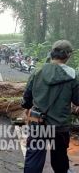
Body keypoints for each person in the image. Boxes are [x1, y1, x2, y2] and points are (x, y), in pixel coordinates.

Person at [21, 40, 79, 173]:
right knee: (59, 161)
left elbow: (26, 98)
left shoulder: (38, 71)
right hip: (60, 126)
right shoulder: (73, 75)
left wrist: (27, 108)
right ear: (68, 56)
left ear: (52, 53)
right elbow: (77, 100)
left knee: (34, 159)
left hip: (38, 123)